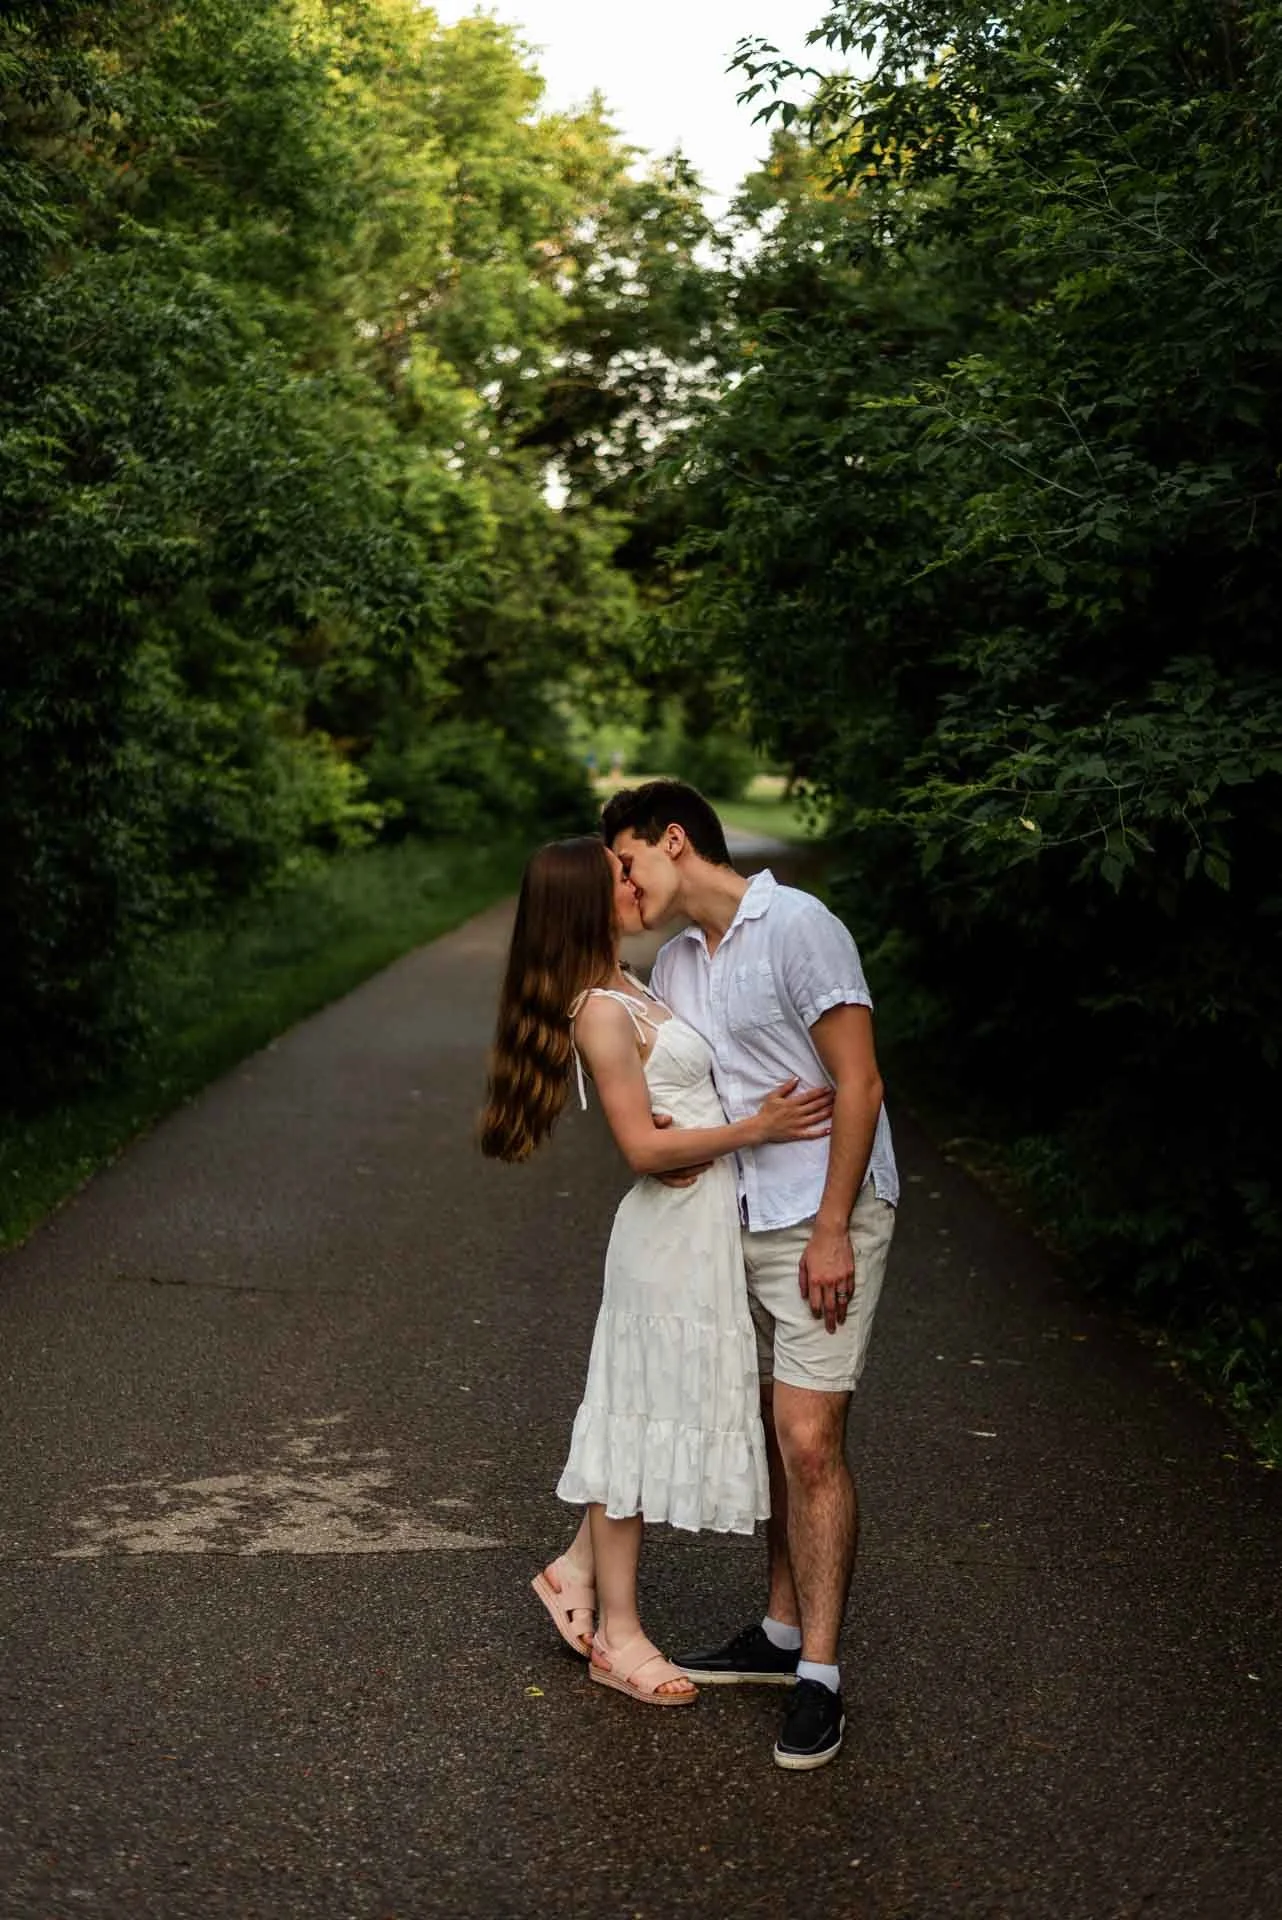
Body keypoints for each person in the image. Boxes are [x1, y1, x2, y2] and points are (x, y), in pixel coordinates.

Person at [478, 836, 834, 1709]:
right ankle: (619, 1638)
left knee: (660, 1406)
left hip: (697, 1228)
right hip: (664, 1236)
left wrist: (705, 1128)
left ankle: (573, 1570)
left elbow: (672, 1112)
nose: (633, 883)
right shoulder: (600, 1009)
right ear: (585, 904)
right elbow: (641, 1148)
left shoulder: (639, 983)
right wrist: (753, 1130)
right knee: (637, 1423)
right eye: (617, 878)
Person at [601, 780, 898, 1771]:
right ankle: (776, 1636)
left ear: (673, 840)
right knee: (770, 1425)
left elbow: (857, 1081)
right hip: (731, 1220)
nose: (624, 884)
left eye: (627, 862)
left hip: (825, 1212)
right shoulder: (679, 961)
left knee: (810, 1437)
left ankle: (818, 1676)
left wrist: (830, 1228)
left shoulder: (797, 926)